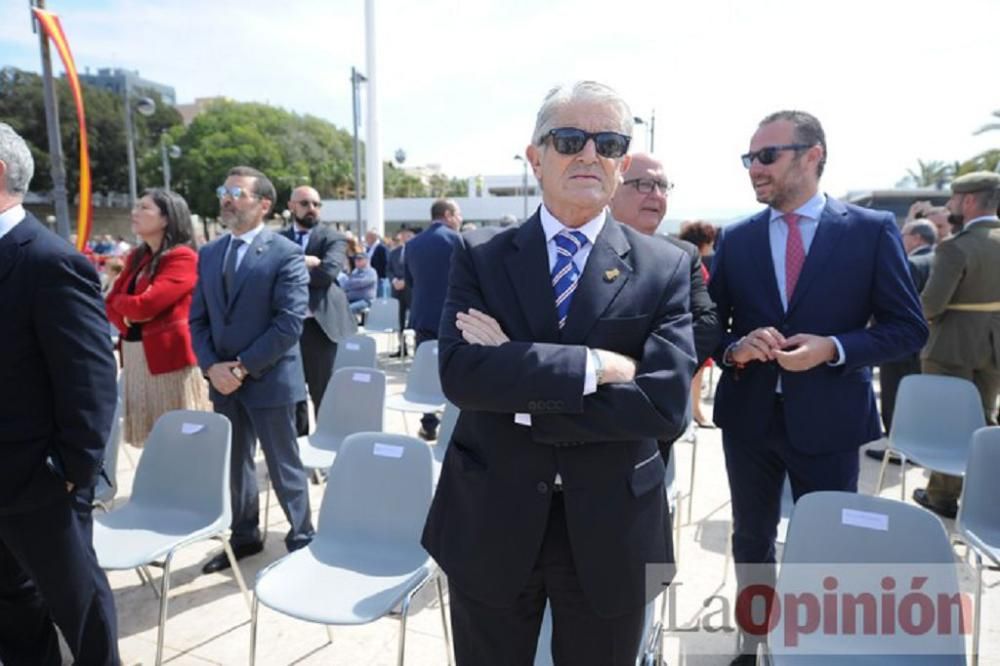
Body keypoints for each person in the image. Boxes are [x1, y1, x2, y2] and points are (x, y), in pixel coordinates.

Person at [421, 81, 696, 666]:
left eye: (608, 142)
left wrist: (516, 379)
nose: (589, 154)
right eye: (570, 139)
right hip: (491, 517)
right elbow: (462, 376)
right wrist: (595, 367)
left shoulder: (667, 266)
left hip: (612, 527)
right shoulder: (480, 255)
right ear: (535, 158)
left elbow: (664, 407)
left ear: (622, 163)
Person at [708, 110, 928, 664]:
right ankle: (753, 643)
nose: (754, 168)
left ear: (813, 156)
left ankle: (816, 649)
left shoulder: (870, 230)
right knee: (751, 540)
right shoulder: (735, 239)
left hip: (831, 419)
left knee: (829, 545)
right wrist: (734, 348)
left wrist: (833, 348)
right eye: (749, 158)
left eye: (766, 156)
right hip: (749, 418)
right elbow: (708, 327)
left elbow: (908, 329)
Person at [0, 122, 120, 665]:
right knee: (12, 609)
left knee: (81, 609)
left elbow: (90, 382)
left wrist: (67, 470)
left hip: (39, 481)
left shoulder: (49, 261)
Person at [189, 166, 315, 574]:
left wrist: (241, 368)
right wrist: (211, 367)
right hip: (223, 380)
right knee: (235, 463)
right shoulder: (209, 254)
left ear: (263, 205)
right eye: (224, 190)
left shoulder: (284, 253)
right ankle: (244, 536)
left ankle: (301, 539)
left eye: (237, 193)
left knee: (283, 464)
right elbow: (198, 320)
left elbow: (288, 323)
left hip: (269, 378)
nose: (227, 198)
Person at [609, 152, 721, 433]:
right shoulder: (584, 249)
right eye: (643, 184)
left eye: (663, 186)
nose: (657, 195)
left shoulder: (682, 255)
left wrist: (647, 371)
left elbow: (706, 324)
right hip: (592, 411)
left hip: (657, 417)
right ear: (610, 190)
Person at [912, 171, 1000, 519]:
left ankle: (942, 497)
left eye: (952, 199)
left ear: (967, 201)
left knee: (949, 425)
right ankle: (984, 497)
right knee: (983, 421)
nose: (949, 206)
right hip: (994, 346)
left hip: (952, 347)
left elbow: (930, 305)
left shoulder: (956, 247)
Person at [106, 188, 209, 446]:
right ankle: (163, 482)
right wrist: (128, 318)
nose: (135, 212)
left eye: (144, 208)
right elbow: (109, 303)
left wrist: (128, 309)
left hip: (168, 362)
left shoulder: (183, 257)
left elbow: (146, 306)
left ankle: (188, 484)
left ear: (166, 218)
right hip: (135, 357)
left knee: (180, 437)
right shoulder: (137, 257)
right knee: (151, 438)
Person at [280, 186, 355, 435]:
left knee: (323, 392)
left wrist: (288, 268)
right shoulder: (277, 238)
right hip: (285, 327)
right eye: (305, 203)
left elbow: (326, 274)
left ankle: (326, 450)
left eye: (316, 204)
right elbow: (267, 276)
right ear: (291, 206)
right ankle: (300, 454)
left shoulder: (332, 237)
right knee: (292, 395)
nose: (312, 208)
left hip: (319, 328)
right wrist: (305, 261)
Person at [866, 219, 937, 462]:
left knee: (895, 397)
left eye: (904, 234)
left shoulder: (912, 264)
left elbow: (894, 306)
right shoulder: (938, 258)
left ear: (917, 238)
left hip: (899, 346)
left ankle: (897, 449)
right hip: (930, 344)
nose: (902, 239)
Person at [404, 199, 462, 440]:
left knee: (427, 374)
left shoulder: (413, 244)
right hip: (455, 317)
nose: (460, 219)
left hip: (423, 317)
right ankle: (455, 424)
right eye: (458, 214)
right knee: (458, 371)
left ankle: (429, 424)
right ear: (448, 214)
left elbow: (409, 282)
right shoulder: (458, 241)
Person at [679, 220, 720, 427]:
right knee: (696, 375)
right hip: (693, 327)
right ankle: (696, 412)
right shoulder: (697, 264)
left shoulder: (678, 256)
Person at [387, 226, 415, 356]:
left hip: (411, 290)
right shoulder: (394, 252)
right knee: (398, 319)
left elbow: (417, 270)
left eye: (408, 235)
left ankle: (416, 346)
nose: (405, 238)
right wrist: (394, 281)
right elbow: (389, 270)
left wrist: (405, 281)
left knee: (414, 319)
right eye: (403, 235)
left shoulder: (417, 251)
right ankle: (402, 348)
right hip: (396, 291)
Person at [364, 229, 389, 296]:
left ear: (373, 237)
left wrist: (382, 276)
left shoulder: (382, 248)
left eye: (367, 237)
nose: (366, 239)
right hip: (370, 277)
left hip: (380, 278)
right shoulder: (368, 249)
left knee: (380, 298)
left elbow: (386, 263)